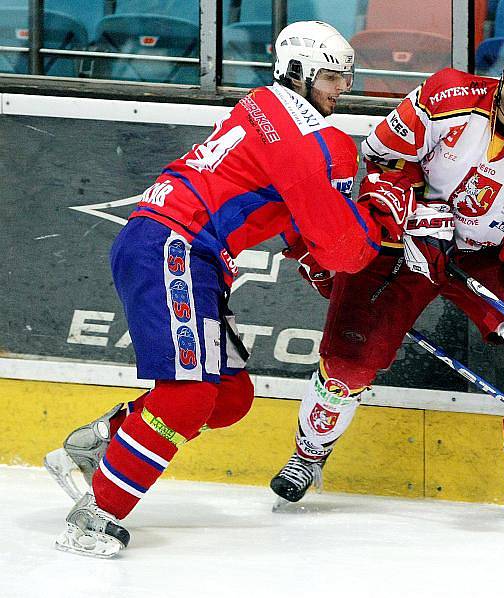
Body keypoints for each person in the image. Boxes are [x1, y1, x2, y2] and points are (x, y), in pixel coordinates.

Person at [44, 20, 415, 558]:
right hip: (175, 247)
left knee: (227, 398)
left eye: (347, 78)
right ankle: (95, 514)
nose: (343, 91)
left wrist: (308, 250)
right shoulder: (317, 141)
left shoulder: (265, 105)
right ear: (300, 73)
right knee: (188, 396)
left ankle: (101, 442)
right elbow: (342, 247)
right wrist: (382, 214)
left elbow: (277, 203)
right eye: (333, 78)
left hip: (183, 248)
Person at [270, 23, 504, 519]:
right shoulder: (447, 95)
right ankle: (308, 456)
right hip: (401, 241)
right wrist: (421, 218)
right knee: (351, 356)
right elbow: (378, 157)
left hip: (477, 259)